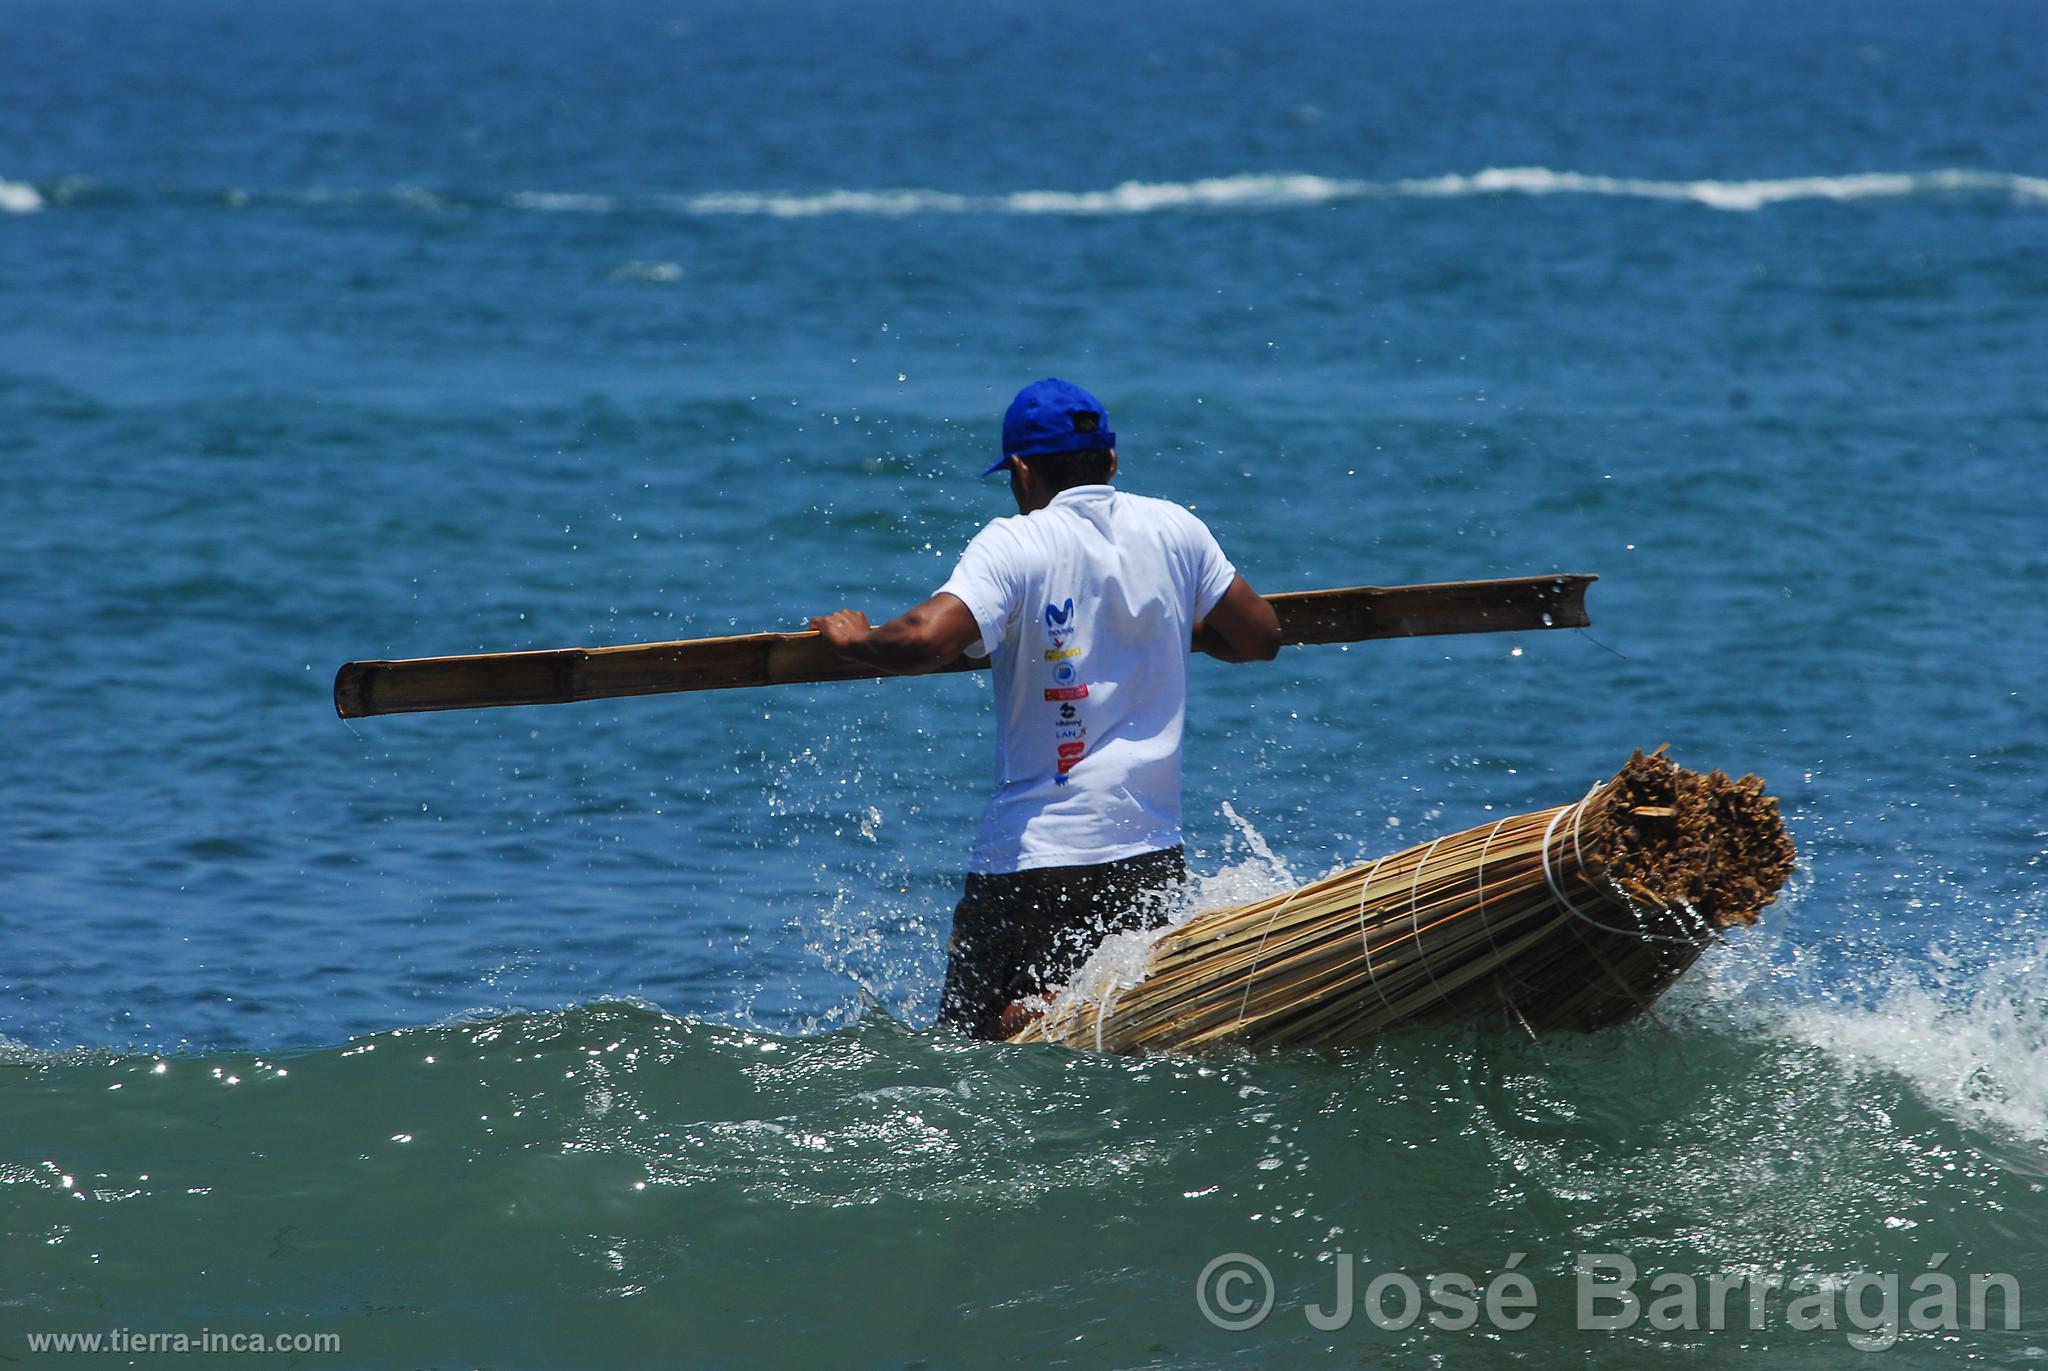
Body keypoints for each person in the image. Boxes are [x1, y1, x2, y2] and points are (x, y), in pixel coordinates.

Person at [810, 378, 1281, 1038]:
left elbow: (922, 639)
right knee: (1114, 1045)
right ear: (1111, 462)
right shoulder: (1177, 529)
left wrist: (856, 640)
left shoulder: (1018, 541)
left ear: (1023, 471)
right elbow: (1260, 638)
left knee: (968, 1057)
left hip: (1033, 862)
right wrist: (1163, 635)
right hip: (1148, 857)